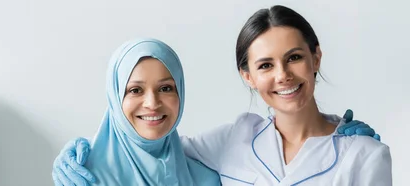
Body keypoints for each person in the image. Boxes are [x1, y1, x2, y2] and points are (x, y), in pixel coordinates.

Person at [52, 5, 389, 186]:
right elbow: (153, 144)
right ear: (248, 76)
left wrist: (350, 141)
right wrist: (81, 154)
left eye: (294, 58)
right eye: (266, 65)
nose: (283, 75)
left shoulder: (364, 156)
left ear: (316, 57)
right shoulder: (234, 139)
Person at [52, 37, 221, 186]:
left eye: (165, 88)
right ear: (116, 98)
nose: (152, 103)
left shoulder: (207, 178)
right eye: (135, 90)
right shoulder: (80, 176)